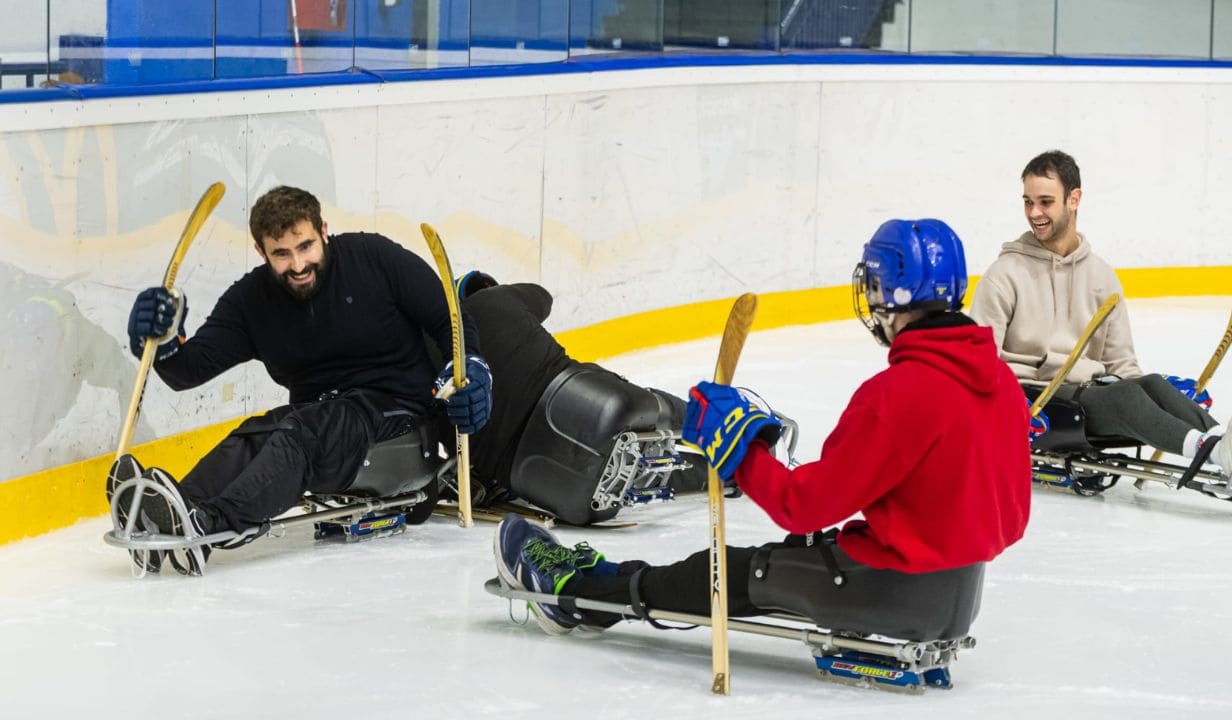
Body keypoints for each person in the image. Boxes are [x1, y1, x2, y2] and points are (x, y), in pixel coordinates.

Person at [493, 218, 1032, 636]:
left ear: (892, 293)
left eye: (873, 284)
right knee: (794, 551)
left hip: (885, 591)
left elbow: (804, 505)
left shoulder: (902, 392)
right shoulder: (1002, 383)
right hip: (955, 596)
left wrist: (739, 454)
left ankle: (579, 597)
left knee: (723, 571)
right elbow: (1008, 519)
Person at [108, 185, 492, 572]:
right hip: (320, 422)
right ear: (261, 251)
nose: (297, 265)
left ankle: (210, 525)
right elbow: (187, 371)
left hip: (399, 418)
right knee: (255, 434)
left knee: (305, 431)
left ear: (323, 231)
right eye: (281, 253)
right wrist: (163, 342)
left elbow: (449, 319)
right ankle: (173, 510)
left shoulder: (373, 257)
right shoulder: (251, 302)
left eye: (306, 246)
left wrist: (471, 368)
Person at [969, 149, 1232, 486]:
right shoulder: (1003, 275)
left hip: (1090, 393)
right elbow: (978, 365)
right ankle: (1215, 452)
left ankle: (1231, 447)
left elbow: (1121, 363)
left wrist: (1166, 400)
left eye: (1045, 202)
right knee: (1124, 396)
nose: (1034, 213)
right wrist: (1006, 407)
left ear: (1074, 199)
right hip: (1036, 400)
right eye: (1028, 202)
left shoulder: (1101, 276)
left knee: (1151, 385)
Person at [444, 272, 706, 525]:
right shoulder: (497, 299)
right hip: (596, 403)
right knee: (657, 409)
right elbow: (543, 298)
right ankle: (715, 426)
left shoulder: (433, 370)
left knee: (652, 474)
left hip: (555, 484)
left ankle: (711, 474)